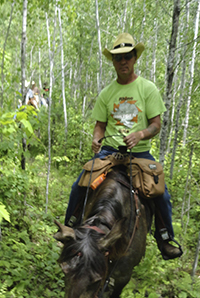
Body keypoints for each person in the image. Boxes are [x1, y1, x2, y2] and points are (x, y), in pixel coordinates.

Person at [65, 32, 182, 260]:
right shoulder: (107, 93)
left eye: (127, 56)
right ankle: (70, 226)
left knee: (162, 195)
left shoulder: (147, 89)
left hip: (139, 154)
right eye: (118, 57)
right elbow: (100, 125)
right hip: (110, 153)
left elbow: (156, 125)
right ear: (113, 61)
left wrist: (141, 134)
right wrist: (96, 138)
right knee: (80, 184)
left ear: (135, 58)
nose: (123, 61)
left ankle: (165, 238)